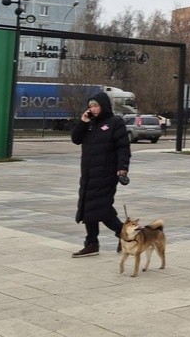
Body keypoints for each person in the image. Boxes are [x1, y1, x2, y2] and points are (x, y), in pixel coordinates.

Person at [70, 92, 131, 257]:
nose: (93, 109)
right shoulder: (90, 123)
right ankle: (92, 243)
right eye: (90, 106)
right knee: (89, 206)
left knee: (101, 207)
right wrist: (83, 122)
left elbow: (123, 148)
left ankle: (121, 234)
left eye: (95, 105)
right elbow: (76, 139)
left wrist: (122, 168)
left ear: (104, 106)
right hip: (89, 173)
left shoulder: (115, 123)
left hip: (107, 173)